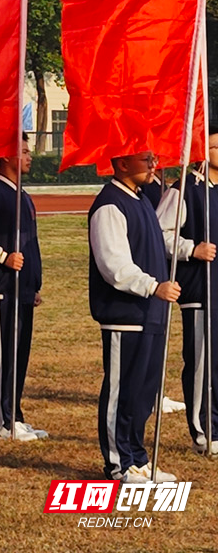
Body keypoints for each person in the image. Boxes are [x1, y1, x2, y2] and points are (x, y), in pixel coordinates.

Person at [88, 150, 208, 482]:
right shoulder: (110, 205)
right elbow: (114, 265)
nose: (154, 165)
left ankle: (136, 457)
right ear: (122, 163)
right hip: (124, 314)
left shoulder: (141, 200)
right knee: (122, 389)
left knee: (143, 391)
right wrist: (153, 286)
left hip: (150, 313)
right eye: (146, 159)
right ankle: (118, 462)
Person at [0, 146, 46, 443]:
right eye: (24, 151)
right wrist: (2, 257)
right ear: (4, 157)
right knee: (2, 358)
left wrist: (33, 283)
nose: (29, 157)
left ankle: (15, 415)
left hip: (22, 292)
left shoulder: (23, 196)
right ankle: (2, 422)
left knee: (19, 357)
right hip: (0, 292)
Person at [169, 129, 218, 454]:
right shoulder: (186, 189)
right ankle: (204, 430)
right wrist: (191, 249)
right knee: (202, 362)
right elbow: (161, 233)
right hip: (201, 291)